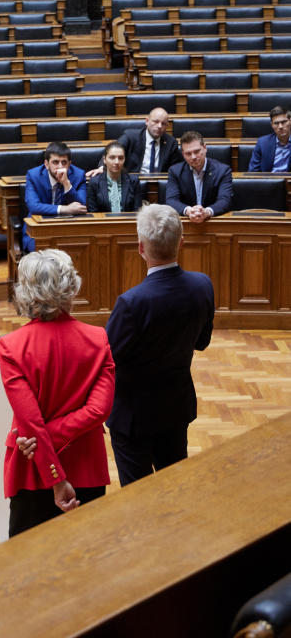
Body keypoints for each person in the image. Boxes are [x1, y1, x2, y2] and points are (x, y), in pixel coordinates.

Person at [0, 249, 115, 537]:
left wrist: (51, 466)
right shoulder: (98, 339)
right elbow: (98, 410)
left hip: (32, 466)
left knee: (27, 564)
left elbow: (31, 425)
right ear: (71, 287)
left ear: (25, 293)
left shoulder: (12, 346)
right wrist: (59, 476)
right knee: (85, 560)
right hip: (85, 466)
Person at [105, 204, 214, 487]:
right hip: (176, 408)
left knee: (138, 498)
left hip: (134, 418)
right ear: (181, 242)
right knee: (175, 489)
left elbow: (108, 360)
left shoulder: (131, 302)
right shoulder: (203, 285)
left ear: (141, 248)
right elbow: (201, 342)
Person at [23, 141, 87, 252]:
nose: (60, 167)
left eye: (64, 162)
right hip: (39, 227)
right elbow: (34, 207)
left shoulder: (79, 175)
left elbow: (81, 206)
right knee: (44, 258)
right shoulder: (33, 175)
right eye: (55, 162)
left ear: (69, 164)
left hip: (68, 229)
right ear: (46, 164)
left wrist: (66, 183)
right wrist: (65, 209)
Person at [166, 131, 233, 222]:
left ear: (205, 148)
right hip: (186, 223)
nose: (193, 157)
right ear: (183, 154)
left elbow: (225, 200)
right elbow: (171, 200)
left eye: (197, 151)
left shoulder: (223, 171)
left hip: (212, 222)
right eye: (188, 153)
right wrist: (189, 211)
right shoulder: (175, 171)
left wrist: (207, 212)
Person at [118, 108, 182, 174]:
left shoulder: (171, 143)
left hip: (159, 182)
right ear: (147, 121)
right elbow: (113, 151)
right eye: (156, 122)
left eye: (163, 124)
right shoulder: (130, 137)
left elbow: (173, 172)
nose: (159, 126)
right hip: (133, 181)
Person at [86, 141, 143, 213]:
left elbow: (137, 212)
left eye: (120, 158)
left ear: (125, 159)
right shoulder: (94, 182)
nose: (116, 162)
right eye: (112, 157)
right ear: (104, 160)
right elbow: (93, 213)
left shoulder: (134, 181)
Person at [248, 106, 291, 173]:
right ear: (272, 125)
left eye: (284, 122)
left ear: (290, 122)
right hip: (268, 181)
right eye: (276, 123)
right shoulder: (262, 143)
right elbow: (253, 171)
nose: (280, 127)